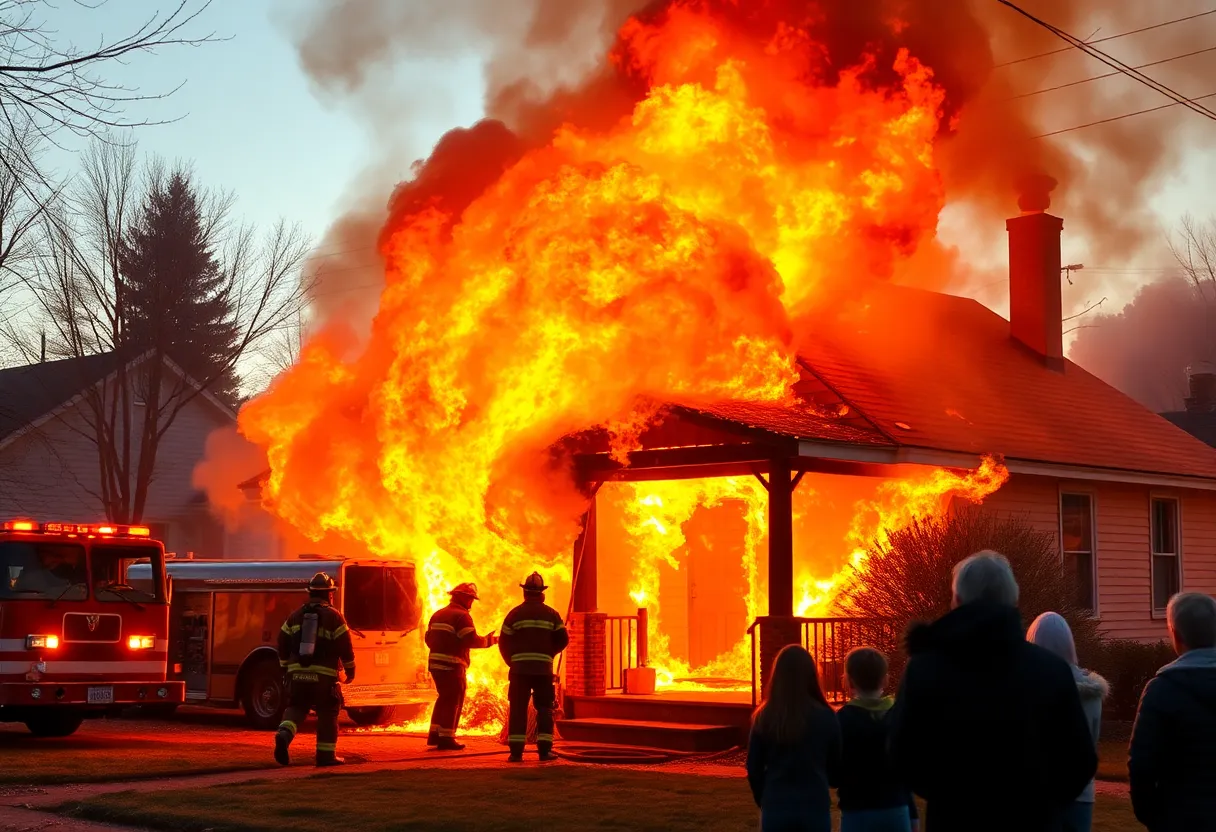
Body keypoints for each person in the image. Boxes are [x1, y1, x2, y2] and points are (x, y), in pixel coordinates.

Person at [889, 550, 1097, 832]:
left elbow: (903, 755)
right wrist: (1041, 804)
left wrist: (950, 795)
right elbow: (1080, 760)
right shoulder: (1051, 672)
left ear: (958, 601)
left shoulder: (925, 671)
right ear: (1013, 601)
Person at [1129, 591, 1216, 831]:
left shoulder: (1161, 690)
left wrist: (1153, 817)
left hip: (1180, 817)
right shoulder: (1161, 689)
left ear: (1176, 635)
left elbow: (1141, 764)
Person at [1027, 611, 1108, 832]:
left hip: (1041, 793)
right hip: (1082, 792)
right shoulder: (1093, 693)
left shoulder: (1031, 688)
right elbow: (1092, 738)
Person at [746, 644, 841, 832]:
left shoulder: (765, 716)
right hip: (814, 804)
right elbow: (836, 768)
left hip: (776, 803)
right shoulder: (826, 716)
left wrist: (763, 797)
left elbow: (753, 766)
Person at [274, 572, 356, 767]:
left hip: (297, 675)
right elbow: (345, 646)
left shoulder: (295, 616)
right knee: (328, 712)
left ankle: (284, 735)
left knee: (296, 708)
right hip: (324, 677)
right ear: (329, 594)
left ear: (310, 593)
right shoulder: (335, 617)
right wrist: (350, 670)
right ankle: (325, 756)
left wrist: (286, 668)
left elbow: (282, 641)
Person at [836, 647, 919, 832]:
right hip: (896, 807)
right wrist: (912, 814)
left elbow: (836, 769)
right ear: (885, 679)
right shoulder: (899, 715)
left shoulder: (842, 720)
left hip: (856, 811)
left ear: (848, 681)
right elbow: (907, 767)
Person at [499, 571, 569, 762]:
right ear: (541, 593)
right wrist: (549, 654)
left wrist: (512, 661)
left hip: (519, 671)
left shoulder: (514, 614)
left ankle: (515, 753)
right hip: (542, 671)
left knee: (518, 709)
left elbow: (503, 642)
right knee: (544, 709)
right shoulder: (552, 615)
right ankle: (544, 752)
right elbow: (563, 640)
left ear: (525, 593)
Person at [425, 581, 496, 751]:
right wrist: (490, 641)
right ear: (463, 598)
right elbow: (471, 640)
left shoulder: (438, 614)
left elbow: (428, 638)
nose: (472, 603)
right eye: (471, 599)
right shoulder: (462, 616)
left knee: (443, 698)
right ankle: (447, 739)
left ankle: (435, 735)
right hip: (452, 665)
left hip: (435, 664)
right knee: (453, 701)